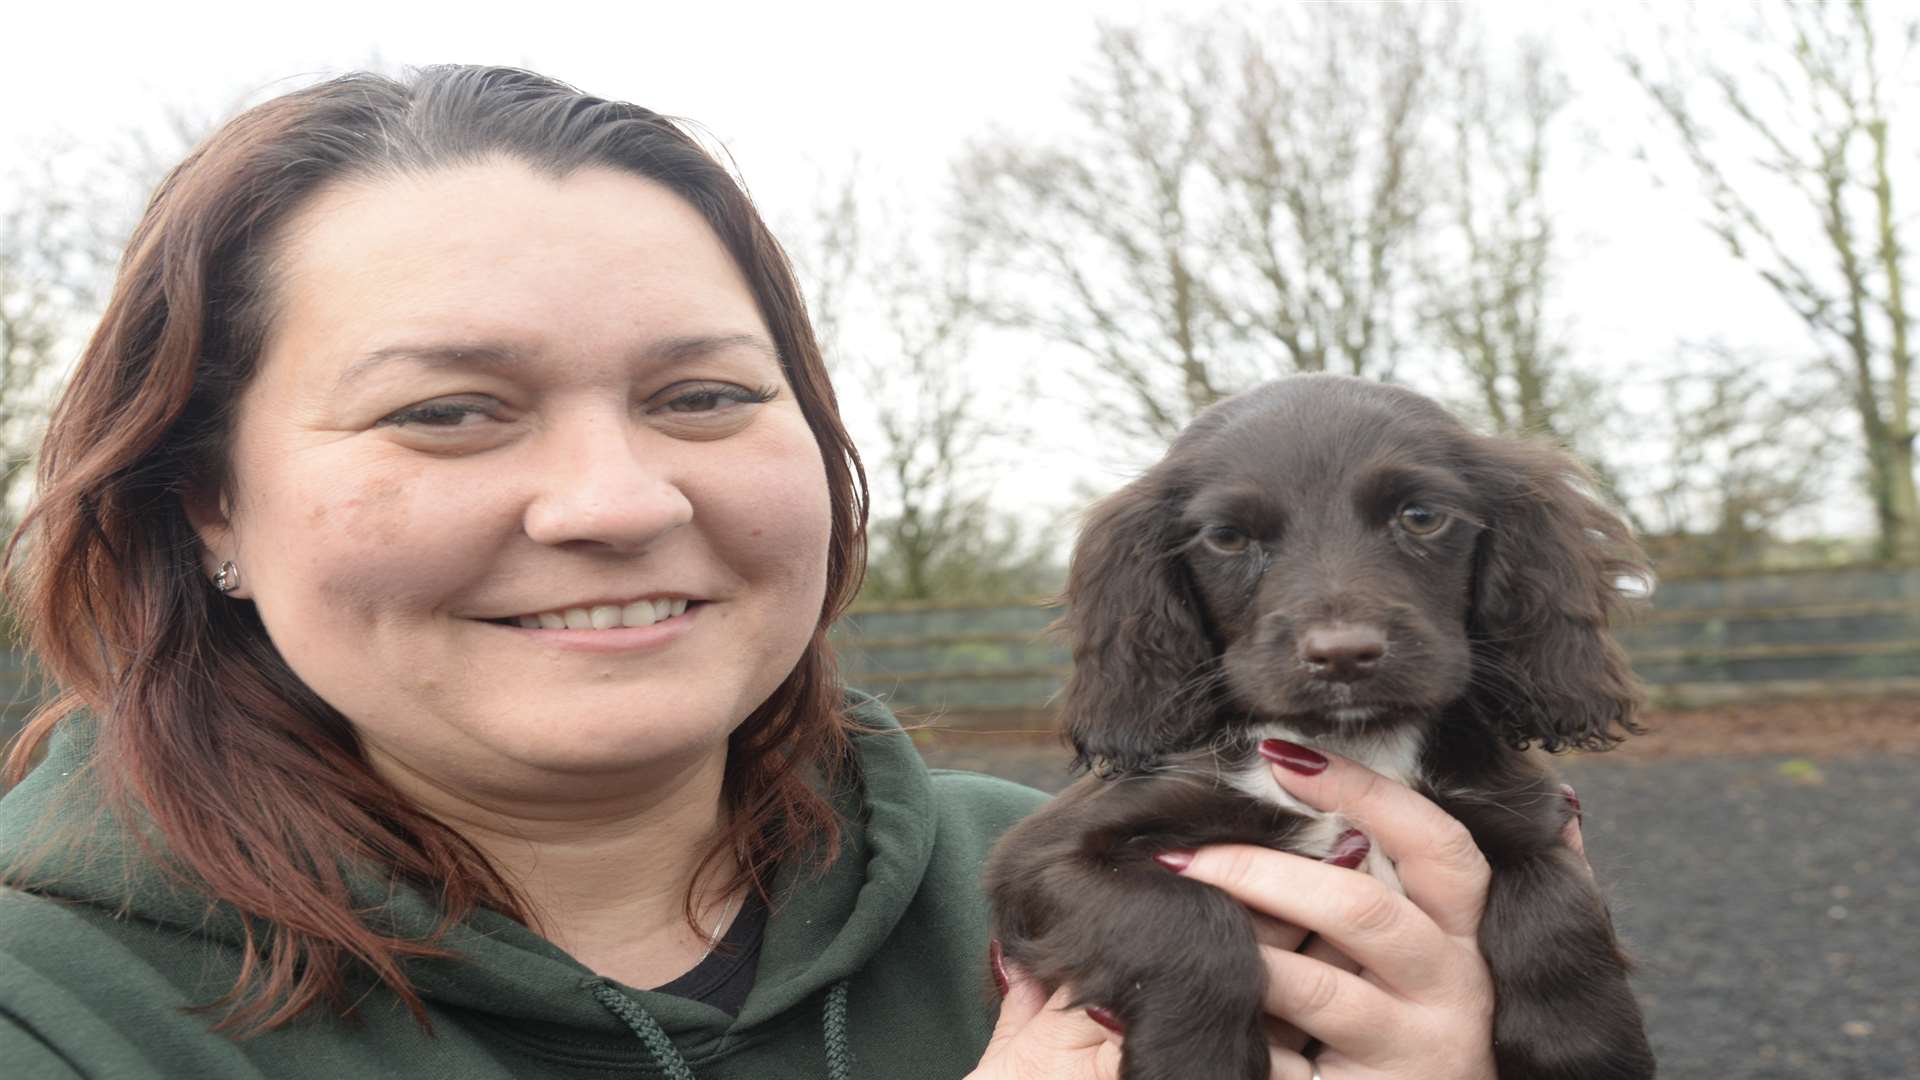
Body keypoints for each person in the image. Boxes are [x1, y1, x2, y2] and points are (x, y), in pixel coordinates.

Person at [0, 65, 1526, 1079]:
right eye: (449, 412)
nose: (615, 499)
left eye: (704, 397)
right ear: (207, 503)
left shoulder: (1070, 874)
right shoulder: (58, 1013)